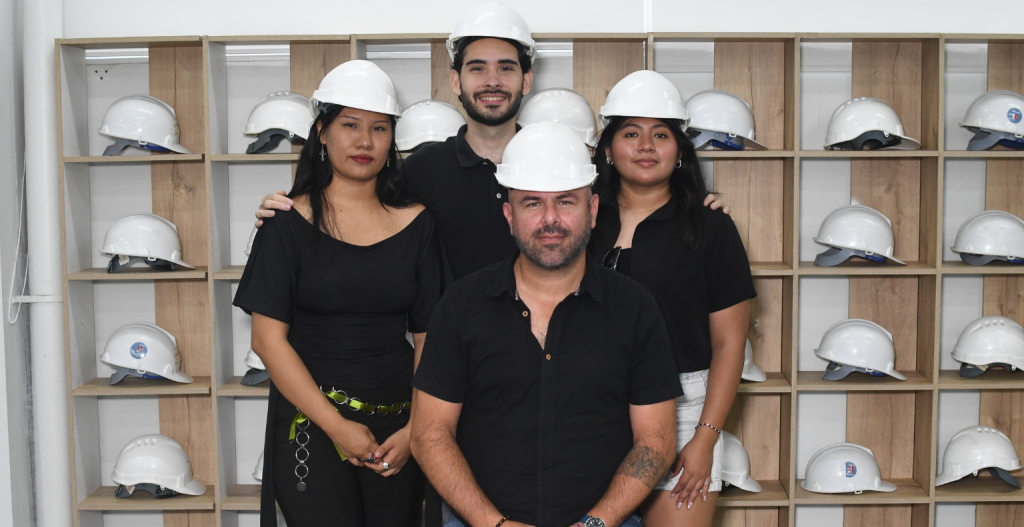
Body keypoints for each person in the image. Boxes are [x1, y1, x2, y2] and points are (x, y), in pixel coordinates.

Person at [410, 121, 682, 527]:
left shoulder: (636, 309)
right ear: (509, 215)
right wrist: (493, 524)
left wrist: (595, 523)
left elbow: (656, 441)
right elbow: (428, 434)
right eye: (532, 203)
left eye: (566, 202)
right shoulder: (461, 306)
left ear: (592, 210)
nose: (550, 220)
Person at [232, 60, 444, 527]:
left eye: (379, 128)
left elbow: (430, 338)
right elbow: (267, 341)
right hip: (312, 423)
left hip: (398, 428)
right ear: (322, 133)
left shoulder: (418, 223)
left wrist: (416, 430)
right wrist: (338, 428)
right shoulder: (285, 223)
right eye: (350, 125)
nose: (365, 141)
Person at [589, 71, 756, 527]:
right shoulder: (581, 219)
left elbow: (729, 344)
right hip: (592, 407)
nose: (646, 146)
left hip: (684, 408)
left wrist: (705, 439)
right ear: (608, 149)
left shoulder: (710, 226)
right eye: (630, 134)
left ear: (680, 150)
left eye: (660, 135)